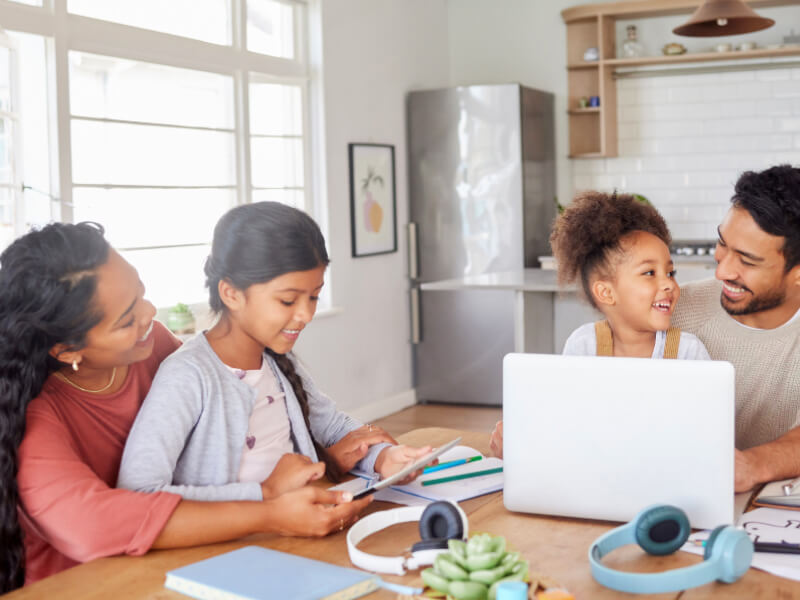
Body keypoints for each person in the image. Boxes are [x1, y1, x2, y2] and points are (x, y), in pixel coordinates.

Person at [1, 222, 372, 593]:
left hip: (179, 565)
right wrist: (269, 503)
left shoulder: (156, 347)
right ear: (67, 351)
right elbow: (92, 527)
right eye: (127, 320)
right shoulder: (37, 418)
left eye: (142, 295)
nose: (149, 315)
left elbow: (226, 430)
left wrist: (325, 458)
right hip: (88, 585)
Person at [117, 202, 431, 501]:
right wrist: (264, 494)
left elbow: (333, 428)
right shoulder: (188, 375)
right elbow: (139, 491)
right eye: (288, 300)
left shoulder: (278, 362)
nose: (306, 315)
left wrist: (384, 460)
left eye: (314, 297)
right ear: (231, 293)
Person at [489, 191, 709, 458]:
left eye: (670, 272)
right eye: (649, 273)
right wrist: (520, 444)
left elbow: (704, 432)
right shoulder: (584, 346)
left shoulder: (688, 351)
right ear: (606, 293)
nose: (669, 284)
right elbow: (566, 426)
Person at [671, 165, 800, 493]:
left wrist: (752, 465)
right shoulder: (675, 310)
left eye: (747, 260)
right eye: (722, 244)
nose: (722, 271)